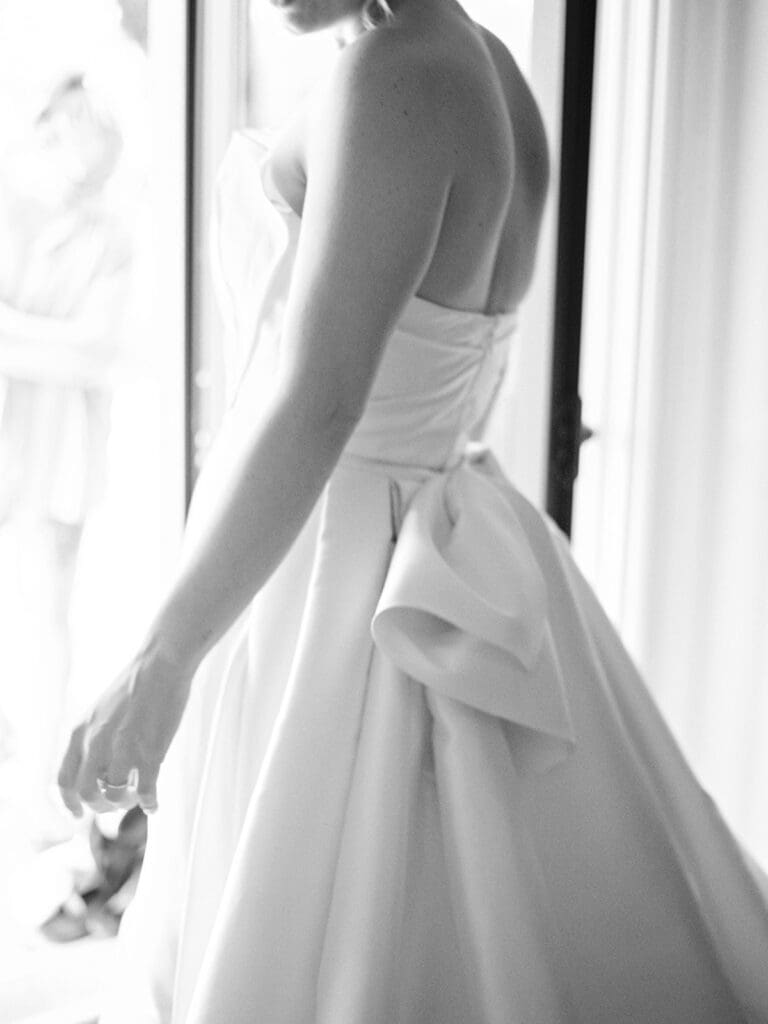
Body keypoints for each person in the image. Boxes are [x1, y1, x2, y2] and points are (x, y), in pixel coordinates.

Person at [58, 0, 768, 1020]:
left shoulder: (397, 75)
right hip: (402, 524)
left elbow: (319, 403)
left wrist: (162, 657)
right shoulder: (490, 74)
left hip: (338, 575)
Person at [0, 72, 130, 847]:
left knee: (52, 612)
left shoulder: (117, 233)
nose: (71, 144)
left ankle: (41, 777)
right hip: (16, 428)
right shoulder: (12, 209)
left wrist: (14, 334)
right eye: (60, 128)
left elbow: (97, 348)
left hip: (66, 445)